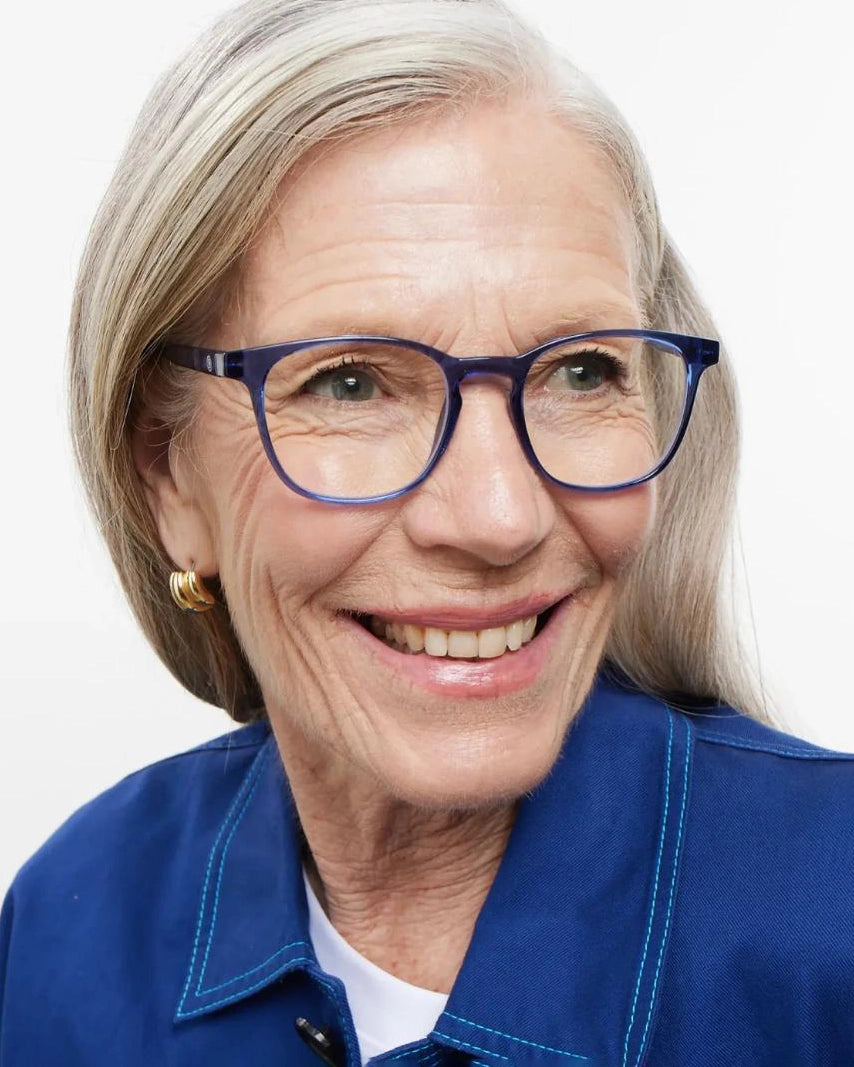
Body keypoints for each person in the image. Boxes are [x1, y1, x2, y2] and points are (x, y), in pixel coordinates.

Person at [1, 0, 852, 1063]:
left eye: (580, 369)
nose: (498, 515)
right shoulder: (73, 924)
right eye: (351, 383)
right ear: (166, 476)